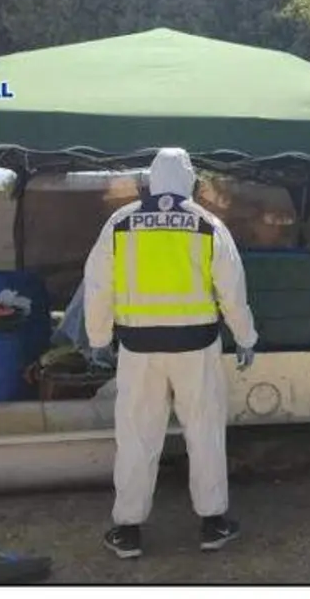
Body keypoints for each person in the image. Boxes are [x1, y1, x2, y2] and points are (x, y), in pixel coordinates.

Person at [84, 148, 258, 558]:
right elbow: (232, 290)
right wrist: (245, 337)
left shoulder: (120, 224)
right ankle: (213, 524)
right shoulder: (206, 223)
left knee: (137, 437)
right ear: (192, 182)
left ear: (149, 182)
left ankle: (127, 531)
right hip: (195, 348)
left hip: (138, 349)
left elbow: (98, 286)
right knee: (205, 433)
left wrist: (97, 339)